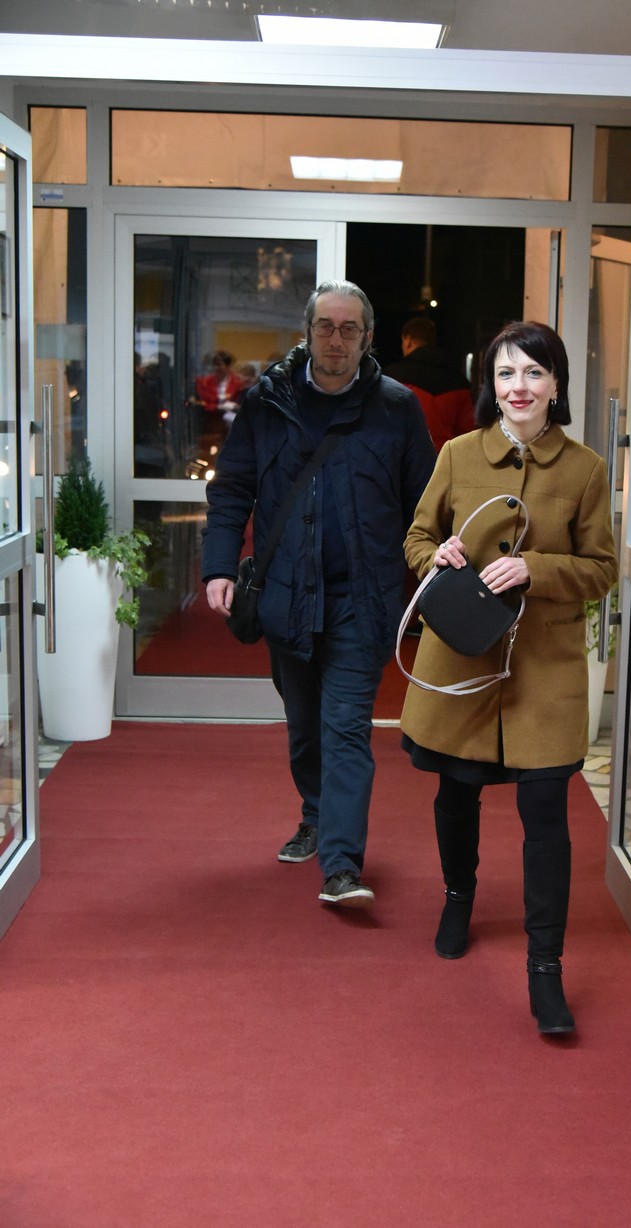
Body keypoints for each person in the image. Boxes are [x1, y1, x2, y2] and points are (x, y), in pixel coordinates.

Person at [400, 321, 618, 1034]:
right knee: (456, 792)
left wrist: (535, 568)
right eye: (505, 374)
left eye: (533, 373)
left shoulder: (585, 469)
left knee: (546, 814)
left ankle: (545, 969)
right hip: (463, 657)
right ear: (489, 386)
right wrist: (438, 557)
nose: (518, 387)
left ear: (556, 384)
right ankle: (458, 896)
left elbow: (602, 569)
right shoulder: (458, 454)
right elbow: (417, 536)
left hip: (543, 668)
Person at [202, 280, 436, 908]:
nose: (336, 338)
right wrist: (218, 567)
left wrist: (433, 571)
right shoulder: (266, 402)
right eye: (325, 326)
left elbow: (426, 504)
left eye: (349, 328)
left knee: (346, 729)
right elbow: (232, 490)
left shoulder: (397, 408)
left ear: (368, 337)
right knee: (305, 729)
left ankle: (341, 864)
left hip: (364, 600)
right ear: (307, 333)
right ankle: (315, 814)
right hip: (287, 598)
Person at [383, 317, 475, 451]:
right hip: (446, 458)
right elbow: (466, 433)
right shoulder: (459, 381)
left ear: (408, 340)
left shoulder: (393, 377)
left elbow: (382, 426)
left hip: (405, 458)